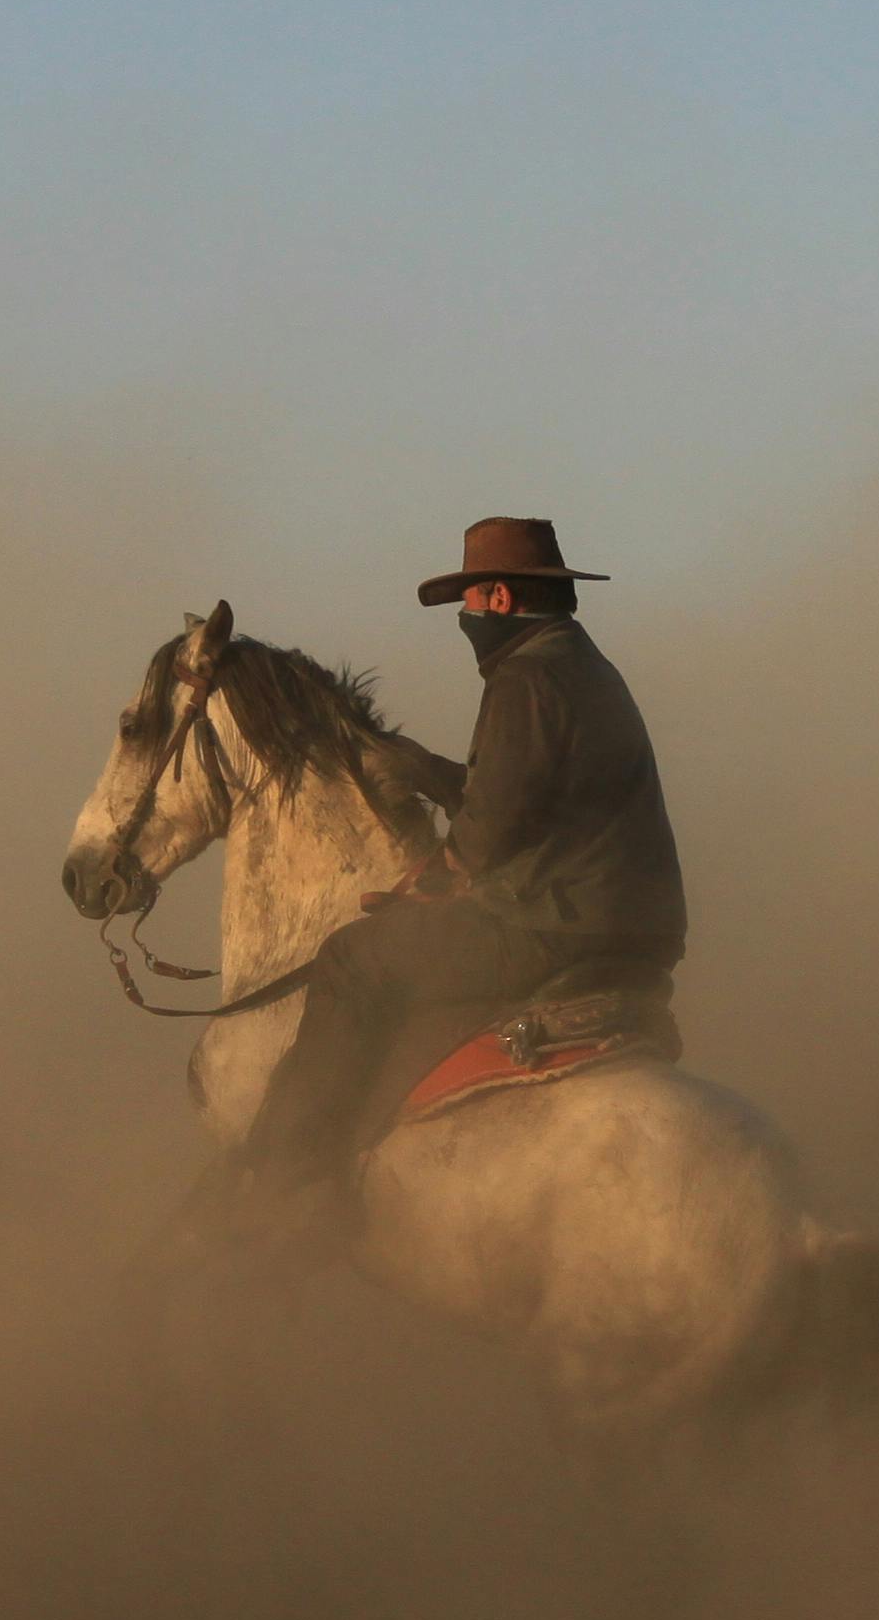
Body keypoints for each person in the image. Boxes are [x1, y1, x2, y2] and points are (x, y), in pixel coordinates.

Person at [215, 516, 687, 1244]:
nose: (467, 619)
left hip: (553, 925)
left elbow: (495, 825)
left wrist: (445, 873)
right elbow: (528, 791)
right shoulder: (583, 667)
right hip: (627, 921)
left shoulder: (526, 676)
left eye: (470, 601)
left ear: (497, 598)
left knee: (353, 959)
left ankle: (291, 1183)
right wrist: (431, 774)